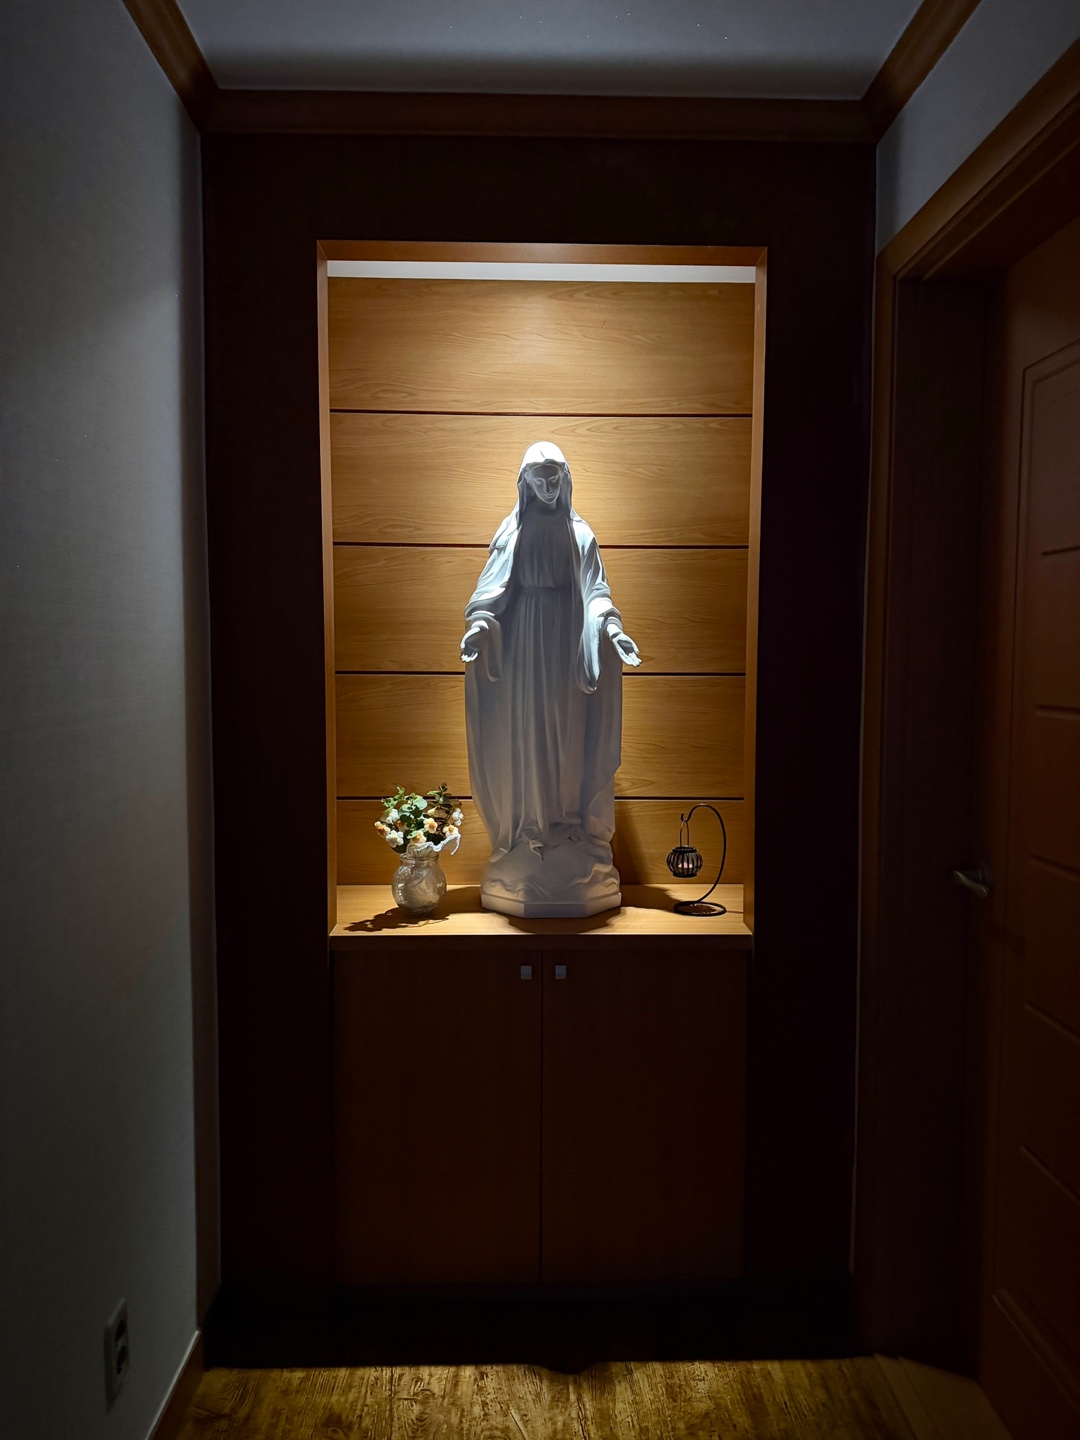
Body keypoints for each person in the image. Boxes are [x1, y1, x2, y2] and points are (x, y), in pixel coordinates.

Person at [460, 441, 641, 916]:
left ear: (565, 479)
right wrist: (480, 625)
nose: (546, 485)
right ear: (524, 481)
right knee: (530, 732)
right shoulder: (512, 532)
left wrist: (613, 630)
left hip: (567, 646)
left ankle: (566, 825)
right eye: (538, 477)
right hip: (524, 646)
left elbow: (596, 591)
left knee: (567, 734)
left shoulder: (580, 533)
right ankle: (529, 830)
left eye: (554, 476)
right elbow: (493, 590)